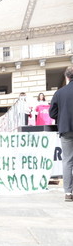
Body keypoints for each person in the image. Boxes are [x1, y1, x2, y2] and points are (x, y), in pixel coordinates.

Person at [49, 66, 73, 202]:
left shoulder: (59, 93)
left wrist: (62, 117)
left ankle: (68, 193)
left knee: (68, 160)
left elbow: (52, 113)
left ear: (67, 77)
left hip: (66, 128)